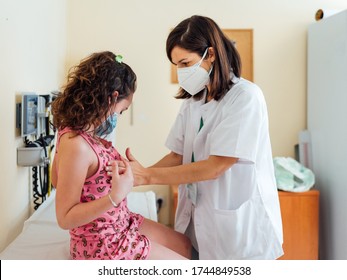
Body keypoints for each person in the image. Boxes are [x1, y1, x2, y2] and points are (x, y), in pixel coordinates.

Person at [117, 15, 284, 260]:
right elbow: (178, 154)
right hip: (198, 222)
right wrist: (137, 176)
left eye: (185, 63)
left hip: (239, 232)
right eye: (176, 65)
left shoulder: (246, 97)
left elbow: (218, 166)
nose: (181, 72)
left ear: (212, 54)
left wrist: (148, 175)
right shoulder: (194, 101)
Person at [51, 51, 191, 260]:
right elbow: (65, 218)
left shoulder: (86, 133)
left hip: (120, 222)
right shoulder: (76, 144)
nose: (118, 117)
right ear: (112, 98)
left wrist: (115, 175)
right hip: (103, 243)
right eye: (122, 110)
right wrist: (113, 196)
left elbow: (62, 180)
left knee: (185, 246)